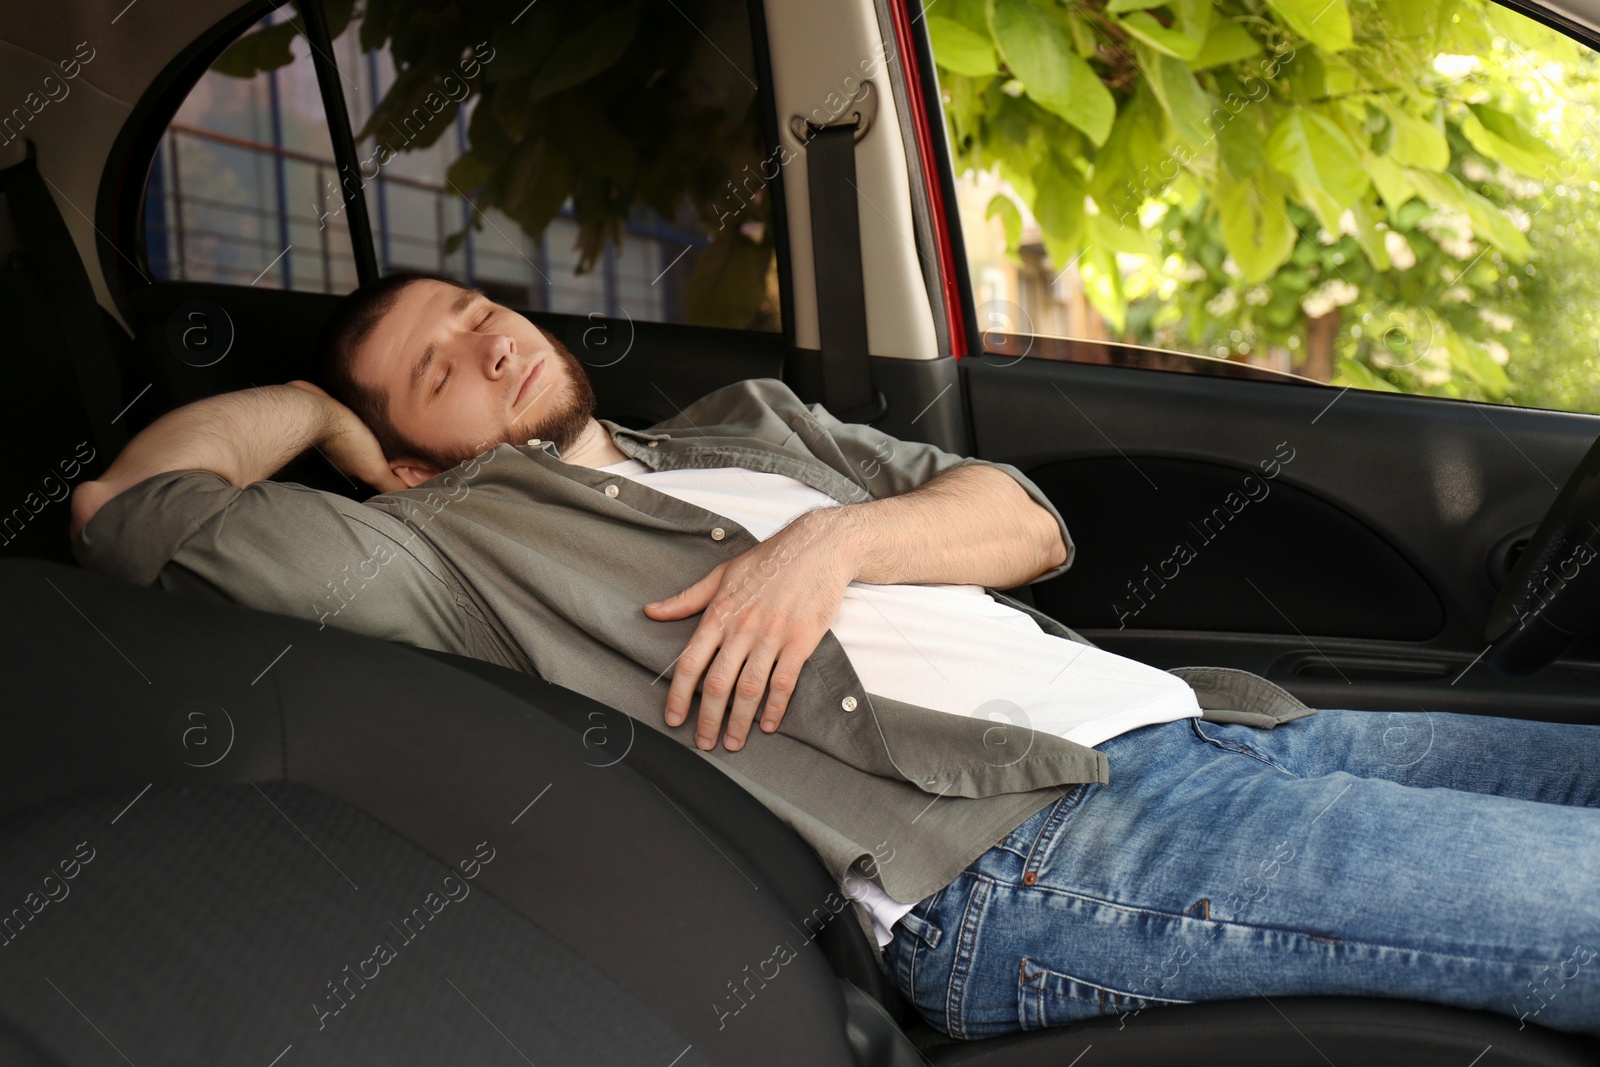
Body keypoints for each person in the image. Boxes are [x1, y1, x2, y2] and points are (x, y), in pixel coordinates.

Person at [69, 271, 1600, 1041]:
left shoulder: (747, 427)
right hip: (1028, 851)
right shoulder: (449, 552)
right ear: (408, 455)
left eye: (477, 312)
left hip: (1223, 735)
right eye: (431, 371)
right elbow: (125, 513)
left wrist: (834, 542)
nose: (487, 344)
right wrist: (321, 422)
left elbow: (1023, 522)